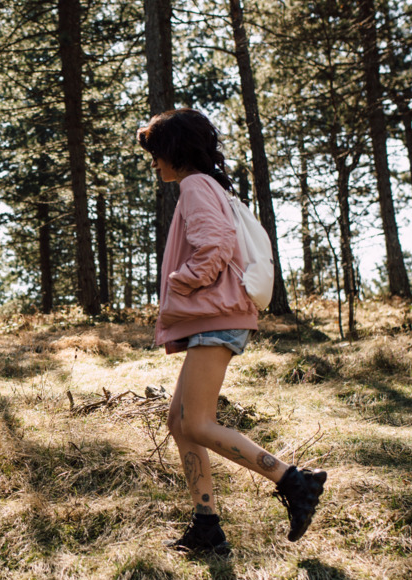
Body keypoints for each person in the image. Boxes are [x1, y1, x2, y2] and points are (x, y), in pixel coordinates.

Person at [137, 108, 328, 554]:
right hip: (214, 317)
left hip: (217, 316)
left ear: (175, 150)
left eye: (156, 152)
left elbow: (217, 244)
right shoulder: (205, 186)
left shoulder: (195, 185)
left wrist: (180, 280)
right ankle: (207, 526)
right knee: (179, 422)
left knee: (198, 423)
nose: (154, 162)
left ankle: (293, 480)